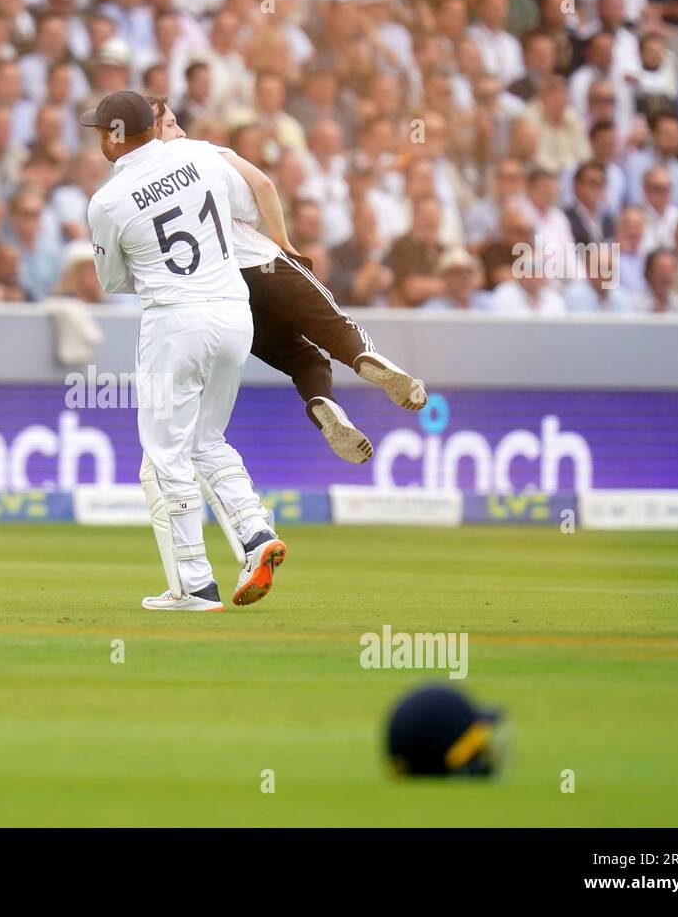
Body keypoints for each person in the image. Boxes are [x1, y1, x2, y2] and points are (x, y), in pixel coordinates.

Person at [83, 91, 283, 613]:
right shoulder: (199, 155)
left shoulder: (107, 200)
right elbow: (249, 210)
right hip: (235, 313)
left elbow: (112, 279)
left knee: (167, 456)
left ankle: (194, 584)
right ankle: (255, 533)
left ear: (113, 136)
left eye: (100, 131)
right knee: (207, 439)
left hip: (174, 322)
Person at [150, 97, 427, 468]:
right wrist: (282, 239)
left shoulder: (134, 190)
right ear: (153, 131)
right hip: (261, 265)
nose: (180, 130)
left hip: (221, 298)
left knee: (303, 360)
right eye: (170, 124)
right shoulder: (198, 152)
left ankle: (321, 403)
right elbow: (262, 185)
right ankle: (363, 357)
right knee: (335, 327)